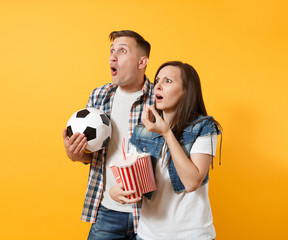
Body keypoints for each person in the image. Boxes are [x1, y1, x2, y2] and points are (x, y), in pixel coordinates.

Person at [62, 30, 154, 239]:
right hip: (108, 212)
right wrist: (76, 154)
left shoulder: (159, 100)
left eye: (122, 51)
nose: (113, 56)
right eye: (112, 51)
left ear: (142, 62)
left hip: (153, 213)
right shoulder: (99, 96)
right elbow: (91, 154)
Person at [127, 61, 221, 239]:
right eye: (157, 80)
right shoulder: (142, 130)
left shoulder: (204, 127)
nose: (158, 86)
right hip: (147, 235)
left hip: (192, 235)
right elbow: (133, 180)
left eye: (168, 81)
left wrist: (166, 133)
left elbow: (192, 182)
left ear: (186, 91)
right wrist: (116, 192)